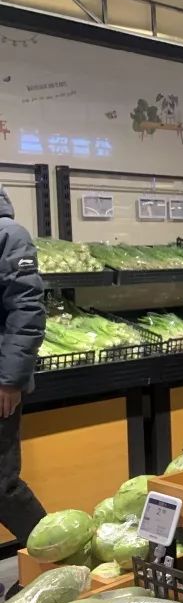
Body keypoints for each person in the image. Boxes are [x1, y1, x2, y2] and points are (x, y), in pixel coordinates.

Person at [0, 188, 45, 550]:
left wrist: (10, 380)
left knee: (2, 485)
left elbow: (27, 310)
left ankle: (58, 557)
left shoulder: (9, 234)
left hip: (0, 382)